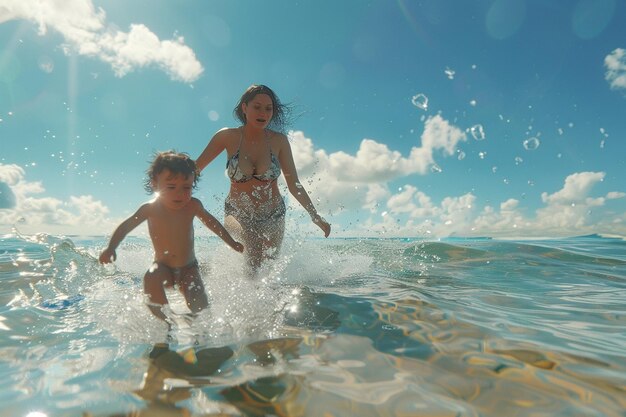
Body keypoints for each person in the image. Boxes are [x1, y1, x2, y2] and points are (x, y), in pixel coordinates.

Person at [196, 84, 331, 274]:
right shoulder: (226, 137)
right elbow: (194, 169)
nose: (263, 113)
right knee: (253, 246)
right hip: (237, 212)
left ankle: (268, 302)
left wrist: (314, 215)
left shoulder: (279, 141)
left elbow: (294, 184)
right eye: (257, 107)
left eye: (269, 109)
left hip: (273, 214)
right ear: (245, 107)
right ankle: (241, 299)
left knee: (267, 269)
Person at [99, 151, 244, 322]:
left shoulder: (193, 206)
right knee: (151, 277)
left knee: (198, 301)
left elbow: (213, 225)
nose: (179, 193)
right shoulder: (150, 209)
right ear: (155, 185)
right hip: (163, 267)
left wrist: (232, 243)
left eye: (186, 187)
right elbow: (125, 226)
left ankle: (203, 329)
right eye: (171, 187)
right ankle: (164, 323)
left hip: (189, 268)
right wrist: (111, 248)